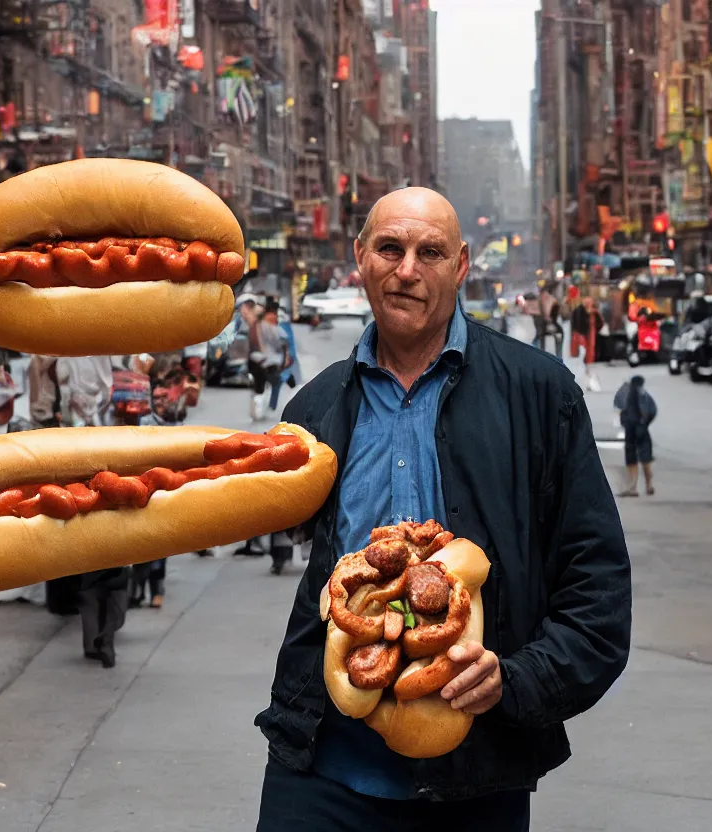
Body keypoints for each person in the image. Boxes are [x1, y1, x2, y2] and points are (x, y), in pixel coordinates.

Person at [254, 188, 632, 830]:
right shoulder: (315, 410)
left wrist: (514, 682)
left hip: (478, 778)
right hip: (321, 766)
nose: (407, 270)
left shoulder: (539, 395)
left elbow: (597, 590)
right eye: (389, 249)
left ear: (460, 266)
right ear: (360, 259)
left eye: (429, 252)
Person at [77, 566, 129, 668]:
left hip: (90, 572)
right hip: (116, 573)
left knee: (90, 607)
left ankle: (91, 645)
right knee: (116, 611)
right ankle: (105, 639)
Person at [247, 297, 290, 421]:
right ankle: (267, 407)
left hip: (256, 359)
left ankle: (259, 408)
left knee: (259, 385)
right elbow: (281, 341)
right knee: (273, 383)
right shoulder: (272, 326)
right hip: (270, 360)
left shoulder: (254, 326)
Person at [615, 375, 657, 497]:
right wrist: (645, 423)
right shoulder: (645, 395)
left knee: (631, 459)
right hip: (642, 430)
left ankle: (633, 487)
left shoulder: (626, 394)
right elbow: (653, 411)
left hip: (631, 430)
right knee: (646, 459)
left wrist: (625, 422)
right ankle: (649, 485)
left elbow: (620, 407)